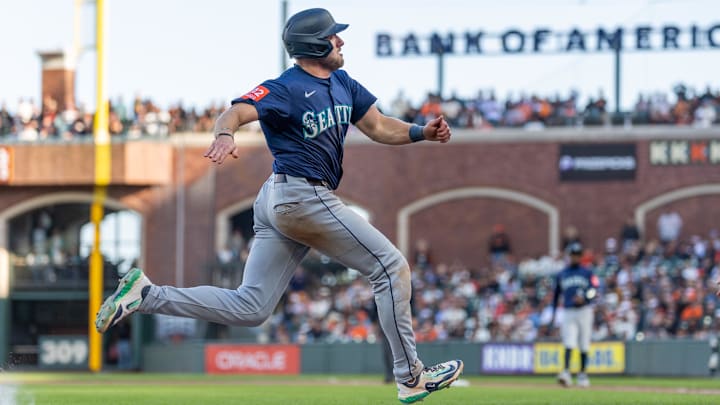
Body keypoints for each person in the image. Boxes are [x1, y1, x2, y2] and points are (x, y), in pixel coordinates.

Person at [95, 8, 462, 403]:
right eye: (333, 36)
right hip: (299, 196)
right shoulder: (286, 87)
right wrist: (224, 134)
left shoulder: (343, 83)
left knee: (251, 306)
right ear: (315, 44)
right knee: (390, 267)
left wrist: (421, 132)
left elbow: (377, 126)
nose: (340, 41)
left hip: (283, 199)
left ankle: (146, 295)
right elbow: (235, 111)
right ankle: (411, 377)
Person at [550, 242, 598, 388]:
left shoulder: (587, 272)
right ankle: (566, 372)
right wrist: (553, 314)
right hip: (568, 310)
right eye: (573, 255)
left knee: (584, 342)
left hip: (585, 310)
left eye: (577, 255)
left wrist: (585, 297)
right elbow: (556, 295)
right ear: (569, 256)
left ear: (581, 256)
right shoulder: (561, 274)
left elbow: (594, 290)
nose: (575, 257)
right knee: (568, 341)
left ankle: (582, 374)